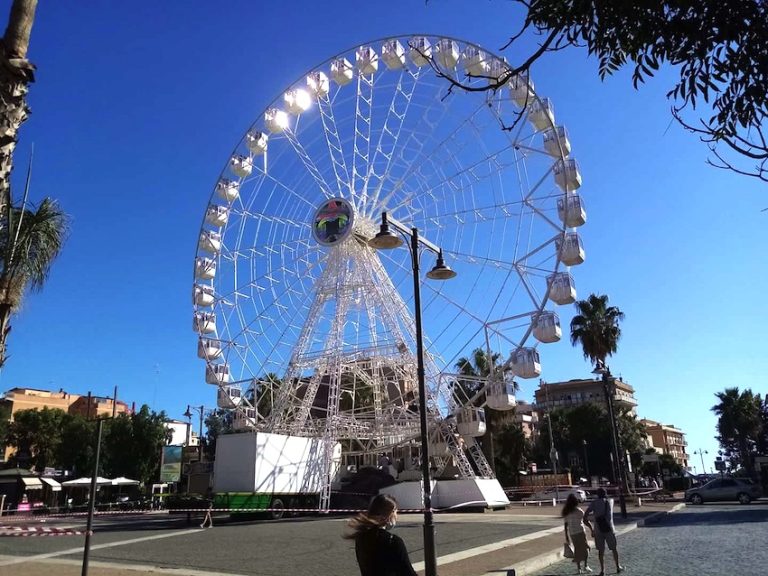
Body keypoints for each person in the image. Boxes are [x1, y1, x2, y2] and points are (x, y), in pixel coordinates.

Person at [344, 494, 417, 576]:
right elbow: (408, 573)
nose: (397, 516)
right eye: (396, 512)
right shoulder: (393, 541)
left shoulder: (361, 537)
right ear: (390, 514)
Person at [585, 488, 624, 576]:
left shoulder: (594, 503)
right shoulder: (609, 501)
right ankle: (618, 567)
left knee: (600, 551)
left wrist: (591, 527)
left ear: (597, 494)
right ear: (605, 493)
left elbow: (586, 515)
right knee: (614, 549)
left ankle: (602, 570)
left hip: (598, 529)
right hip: (609, 529)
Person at [562, 493, 593, 574]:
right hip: (580, 532)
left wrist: (566, 536)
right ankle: (586, 565)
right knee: (586, 548)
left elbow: (565, 525)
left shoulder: (566, 512)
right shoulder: (579, 511)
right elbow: (585, 521)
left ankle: (579, 568)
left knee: (577, 550)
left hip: (572, 533)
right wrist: (591, 528)